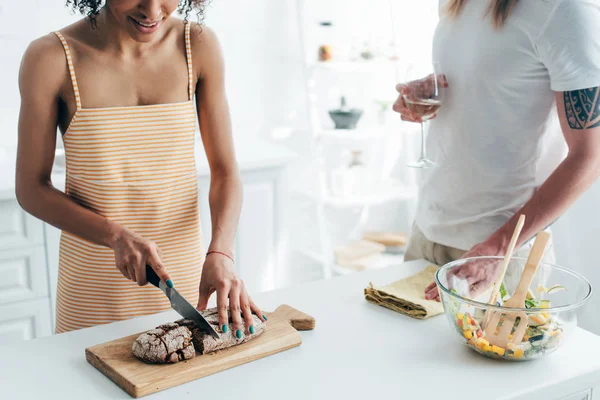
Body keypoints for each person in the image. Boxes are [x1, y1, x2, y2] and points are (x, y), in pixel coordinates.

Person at [16, 0, 265, 336]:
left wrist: (221, 251)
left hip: (188, 287)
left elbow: (224, 171)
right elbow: (31, 189)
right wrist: (115, 236)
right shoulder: (51, 57)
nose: (152, 10)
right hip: (93, 295)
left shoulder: (198, 45)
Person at [393, 0, 600, 301]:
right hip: (426, 233)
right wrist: (430, 91)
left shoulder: (563, 11)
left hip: (497, 255)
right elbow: (490, 80)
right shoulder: (455, 3)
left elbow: (589, 157)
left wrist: (498, 249)